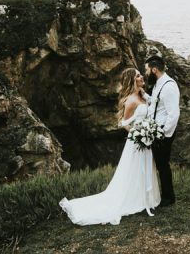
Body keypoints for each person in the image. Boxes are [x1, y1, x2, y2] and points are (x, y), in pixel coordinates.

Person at [59, 68, 161, 225]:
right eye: (138, 76)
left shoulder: (141, 94)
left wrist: (148, 128)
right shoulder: (130, 101)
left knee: (145, 167)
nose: (142, 77)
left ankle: (145, 198)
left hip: (146, 140)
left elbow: (153, 104)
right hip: (137, 141)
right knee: (134, 170)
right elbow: (123, 123)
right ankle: (133, 199)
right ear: (132, 80)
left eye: (141, 74)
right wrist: (139, 133)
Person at [143, 55, 180, 207]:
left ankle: (169, 197)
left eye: (146, 70)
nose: (145, 73)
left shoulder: (169, 86)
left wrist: (163, 134)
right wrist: (143, 94)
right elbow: (156, 103)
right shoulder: (159, 83)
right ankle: (165, 194)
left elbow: (174, 114)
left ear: (154, 69)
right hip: (157, 131)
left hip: (164, 134)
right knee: (160, 165)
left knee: (163, 165)